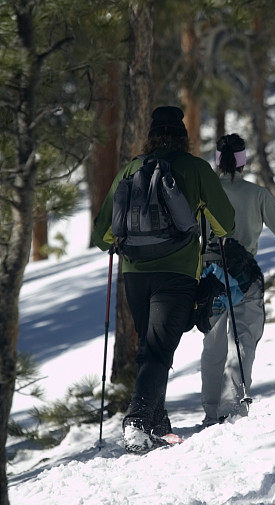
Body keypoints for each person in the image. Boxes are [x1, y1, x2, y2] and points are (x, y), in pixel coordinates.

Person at [92, 106, 235, 452]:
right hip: (176, 273)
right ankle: (138, 420)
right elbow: (225, 223)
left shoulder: (130, 170)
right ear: (183, 137)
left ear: (151, 136)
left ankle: (157, 421)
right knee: (158, 350)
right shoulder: (195, 168)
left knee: (151, 347)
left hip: (136, 275)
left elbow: (101, 236)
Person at [200, 133, 275, 426]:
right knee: (244, 341)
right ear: (243, 160)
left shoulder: (204, 193)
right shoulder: (257, 194)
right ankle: (235, 407)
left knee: (213, 344)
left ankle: (211, 412)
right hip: (245, 276)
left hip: (211, 276)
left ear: (218, 160)